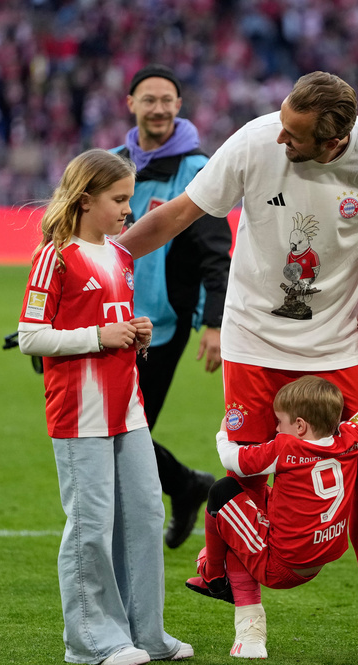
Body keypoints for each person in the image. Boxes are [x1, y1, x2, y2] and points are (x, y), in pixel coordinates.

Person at [117, 71, 358, 656]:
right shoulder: (255, 140)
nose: (281, 138)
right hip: (253, 343)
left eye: (295, 135)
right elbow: (176, 215)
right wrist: (104, 258)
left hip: (339, 346)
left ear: (334, 141)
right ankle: (249, 625)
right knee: (248, 476)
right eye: (282, 123)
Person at [17, 149, 192, 665]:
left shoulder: (118, 255)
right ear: (86, 198)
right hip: (79, 411)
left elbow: (113, 321)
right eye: (118, 198)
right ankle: (91, 640)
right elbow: (31, 336)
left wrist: (136, 334)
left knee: (144, 513)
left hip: (127, 407)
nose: (127, 207)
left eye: (129, 197)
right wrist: (98, 335)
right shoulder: (55, 255)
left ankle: (147, 634)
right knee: (90, 525)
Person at [184, 376, 358, 659]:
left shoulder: (286, 448)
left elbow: (232, 459)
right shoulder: (351, 434)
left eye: (279, 422)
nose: (276, 428)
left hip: (278, 565)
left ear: (300, 425)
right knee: (252, 503)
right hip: (322, 555)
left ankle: (214, 577)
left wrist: (222, 434)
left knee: (225, 492)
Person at [114, 64, 231, 549]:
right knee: (119, 429)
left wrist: (214, 323)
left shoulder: (197, 169)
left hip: (163, 324)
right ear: (131, 104)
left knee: (124, 428)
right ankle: (185, 486)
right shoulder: (114, 163)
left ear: (179, 106)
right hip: (108, 318)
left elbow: (214, 251)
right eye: (149, 99)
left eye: (167, 100)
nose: (158, 108)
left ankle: (178, 491)